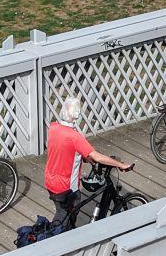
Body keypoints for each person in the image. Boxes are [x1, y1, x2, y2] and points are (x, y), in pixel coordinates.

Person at [44, 96, 132, 228]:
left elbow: (65, 150)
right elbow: (96, 156)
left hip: (50, 181)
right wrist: (121, 165)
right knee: (64, 215)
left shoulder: (53, 128)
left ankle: (67, 232)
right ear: (77, 114)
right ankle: (55, 239)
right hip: (66, 187)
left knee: (65, 214)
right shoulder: (75, 137)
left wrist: (85, 158)